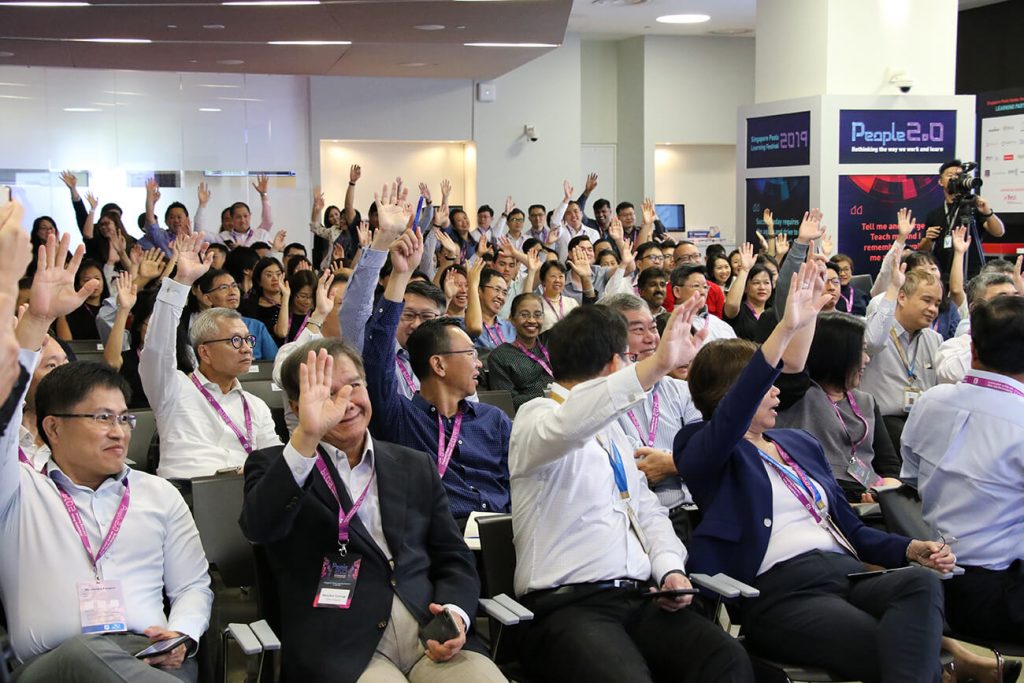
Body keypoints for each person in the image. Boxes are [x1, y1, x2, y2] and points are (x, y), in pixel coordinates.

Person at [676, 260, 953, 683]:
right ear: (732, 394)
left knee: (921, 584)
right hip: (781, 592)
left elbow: (850, 529)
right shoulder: (701, 446)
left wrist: (911, 547)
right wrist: (786, 327)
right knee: (898, 646)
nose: (776, 392)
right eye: (764, 385)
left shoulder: (798, 444)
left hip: (845, 574)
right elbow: (736, 412)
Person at [1, 229, 212, 682]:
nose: (119, 432)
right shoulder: (19, 491)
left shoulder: (158, 494)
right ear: (53, 428)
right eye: (101, 418)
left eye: (124, 418)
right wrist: (36, 319)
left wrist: (181, 635)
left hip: (150, 659)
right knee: (86, 654)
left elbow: (193, 585)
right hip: (55, 665)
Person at [509, 296, 754, 683]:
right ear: (613, 364)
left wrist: (670, 568)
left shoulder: (614, 434)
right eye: (628, 359)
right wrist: (657, 367)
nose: (633, 368)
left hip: (641, 597)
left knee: (726, 658)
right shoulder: (535, 418)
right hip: (568, 607)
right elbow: (571, 423)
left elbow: (647, 512)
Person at [240, 342, 506, 683]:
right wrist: (307, 436)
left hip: (430, 632)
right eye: (328, 393)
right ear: (296, 406)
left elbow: (453, 558)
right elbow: (259, 527)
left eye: (354, 385)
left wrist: (455, 614)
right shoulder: (276, 466)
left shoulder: (413, 464)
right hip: (342, 644)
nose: (346, 402)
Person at [362, 207, 511, 521]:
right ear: (438, 365)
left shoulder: (493, 421)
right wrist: (400, 276)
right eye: (470, 355)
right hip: (441, 535)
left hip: (502, 530)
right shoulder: (401, 418)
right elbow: (377, 357)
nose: (479, 365)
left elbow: (523, 479)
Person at [902, 295, 1024, 646]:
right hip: (1000, 593)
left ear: (972, 348)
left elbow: (911, 478)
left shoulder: (930, 401)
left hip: (931, 584)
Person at [140, 234, 282, 480]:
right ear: (204, 352)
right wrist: (181, 282)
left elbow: (276, 459)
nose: (246, 349)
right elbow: (158, 348)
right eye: (235, 341)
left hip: (246, 492)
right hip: (188, 494)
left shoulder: (255, 405)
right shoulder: (172, 388)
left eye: (248, 340)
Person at [599, 293, 703, 543]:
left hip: (698, 511)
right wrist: (684, 460)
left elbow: (706, 448)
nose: (651, 338)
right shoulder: (601, 398)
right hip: (634, 522)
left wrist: (673, 463)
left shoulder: (681, 390)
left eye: (653, 328)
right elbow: (625, 467)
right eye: (638, 330)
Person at [773, 313, 901, 503]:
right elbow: (790, 370)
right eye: (861, 350)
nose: (867, 359)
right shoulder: (798, 394)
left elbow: (889, 467)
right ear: (838, 353)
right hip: (816, 496)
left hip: (867, 495)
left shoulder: (866, 402)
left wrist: (883, 494)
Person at [859, 249, 943, 453]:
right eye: (927, 300)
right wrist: (893, 288)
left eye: (937, 304)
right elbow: (871, 343)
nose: (933, 309)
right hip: (880, 423)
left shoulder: (934, 339)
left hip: (921, 422)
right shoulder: (876, 330)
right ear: (902, 297)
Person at [918, 159, 1005, 285]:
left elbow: (999, 232)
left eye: (958, 175)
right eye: (950, 175)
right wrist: (928, 239)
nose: (955, 178)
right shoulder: (934, 214)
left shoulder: (974, 207)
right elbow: (923, 251)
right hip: (942, 273)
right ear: (940, 181)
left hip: (973, 273)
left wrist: (987, 212)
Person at [935, 270, 1021, 383]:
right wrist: (988, 337)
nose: (1013, 306)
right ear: (975, 309)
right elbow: (950, 375)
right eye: (1002, 300)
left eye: (1016, 297)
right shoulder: (954, 347)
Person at [486, 293, 552, 410]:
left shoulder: (551, 344)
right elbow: (508, 402)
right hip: (527, 415)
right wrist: (547, 396)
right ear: (512, 319)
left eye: (537, 315)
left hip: (562, 410)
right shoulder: (500, 356)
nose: (532, 320)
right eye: (524, 315)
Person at [664, 264, 736, 342]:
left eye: (705, 287)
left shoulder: (719, 324)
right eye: (696, 286)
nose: (703, 292)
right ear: (677, 291)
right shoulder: (668, 323)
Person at [722, 243, 779, 343]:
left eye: (766, 283)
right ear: (745, 288)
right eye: (756, 283)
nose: (762, 287)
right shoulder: (739, 311)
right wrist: (744, 270)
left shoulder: (773, 312)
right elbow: (731, 304)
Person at [464, 262, 515, 352]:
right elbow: (473, 328)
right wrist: (472, 285)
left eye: (504, 293)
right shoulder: (463, 325)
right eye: (497, 289)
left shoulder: (510, 328)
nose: (501, 297)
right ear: (479, 290)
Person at [538, 261, 578, 332]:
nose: (557, 280)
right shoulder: (537, 303)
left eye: (561, 276)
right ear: (543, 281)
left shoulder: (572, 303)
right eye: (553, 276)